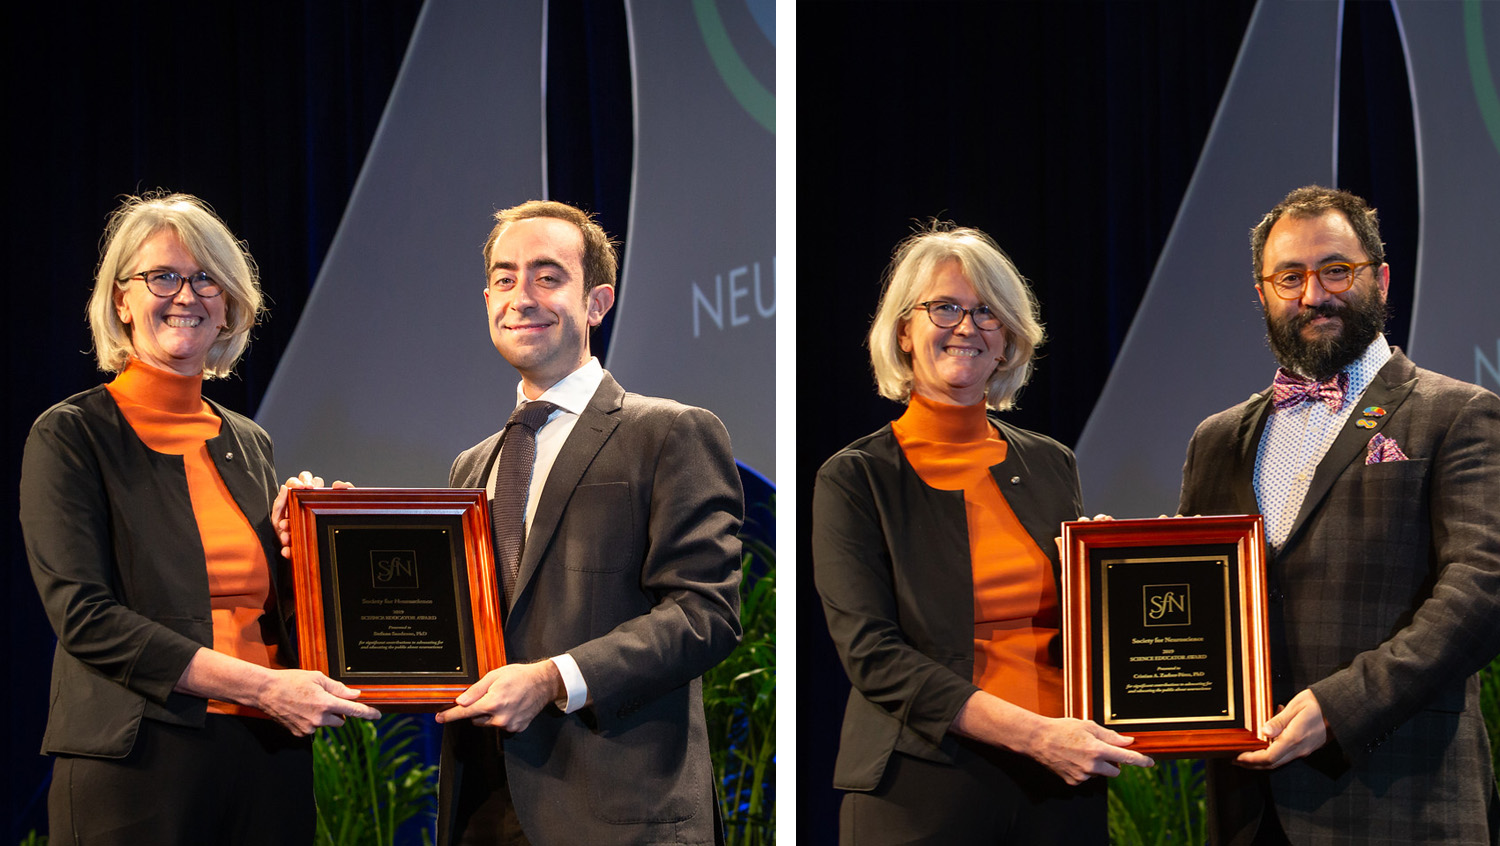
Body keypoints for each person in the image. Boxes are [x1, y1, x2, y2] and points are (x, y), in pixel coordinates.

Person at [18, 191, 381, 844]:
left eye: (206, 279)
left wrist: (313, 544)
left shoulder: (248, 441)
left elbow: (268, 609)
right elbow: (84, 616)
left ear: (229, 307)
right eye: (162, 276)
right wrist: (260, 686)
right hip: (138, 756)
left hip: (267, 750)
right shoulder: (72, 434)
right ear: (122, 300)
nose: (186, 295)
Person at [812, 222, 1154, 844]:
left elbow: (1079, 632)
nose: (967, 326)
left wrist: (1108, 574)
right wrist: (1035, 735)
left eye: (987, 312)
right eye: (944, 308)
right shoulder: (856, 477)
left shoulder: (1051, 462)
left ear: (1008, 341)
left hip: (1062, 779)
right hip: (922, 782)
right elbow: (873, 655)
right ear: (904, 332)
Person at [1179, 185, 1500, 844]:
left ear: (1380, 278)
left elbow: (1483, 591)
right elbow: (1195, 595)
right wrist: (1118, 581)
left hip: (1402, 801)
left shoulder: (1458, 413)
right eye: (1289, 277)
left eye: (1335, 270)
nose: (1313, 294)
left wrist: (1341, 705)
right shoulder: (1217, 439)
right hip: (1250, 810)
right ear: (1263, 293)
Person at [431, 200, 743, 845]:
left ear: (597, 303)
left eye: (548, 277)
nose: (522, 296)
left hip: (621, 816)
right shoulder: (471, 467)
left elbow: (705, 614)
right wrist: (327, 537)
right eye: (505, 278)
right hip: (485, 807)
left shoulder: (670, 433)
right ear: (487, 300)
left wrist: (552, 679)